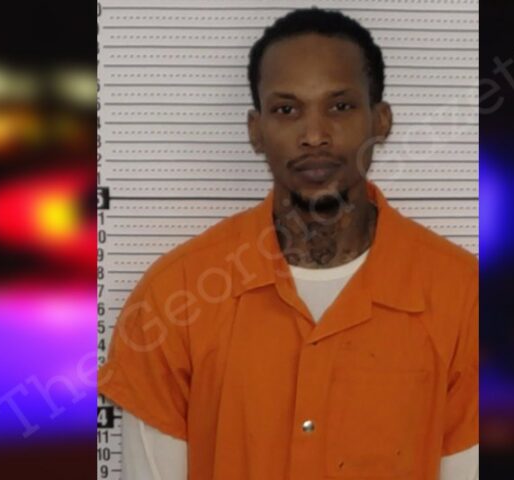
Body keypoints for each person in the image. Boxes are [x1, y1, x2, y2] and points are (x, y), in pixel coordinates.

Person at [98, 7, 478, 480]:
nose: (314, 135)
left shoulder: (463, 298)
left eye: (340, 106)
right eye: (286, 110)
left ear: (380, 120)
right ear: (256, 130)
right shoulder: (175, 298)